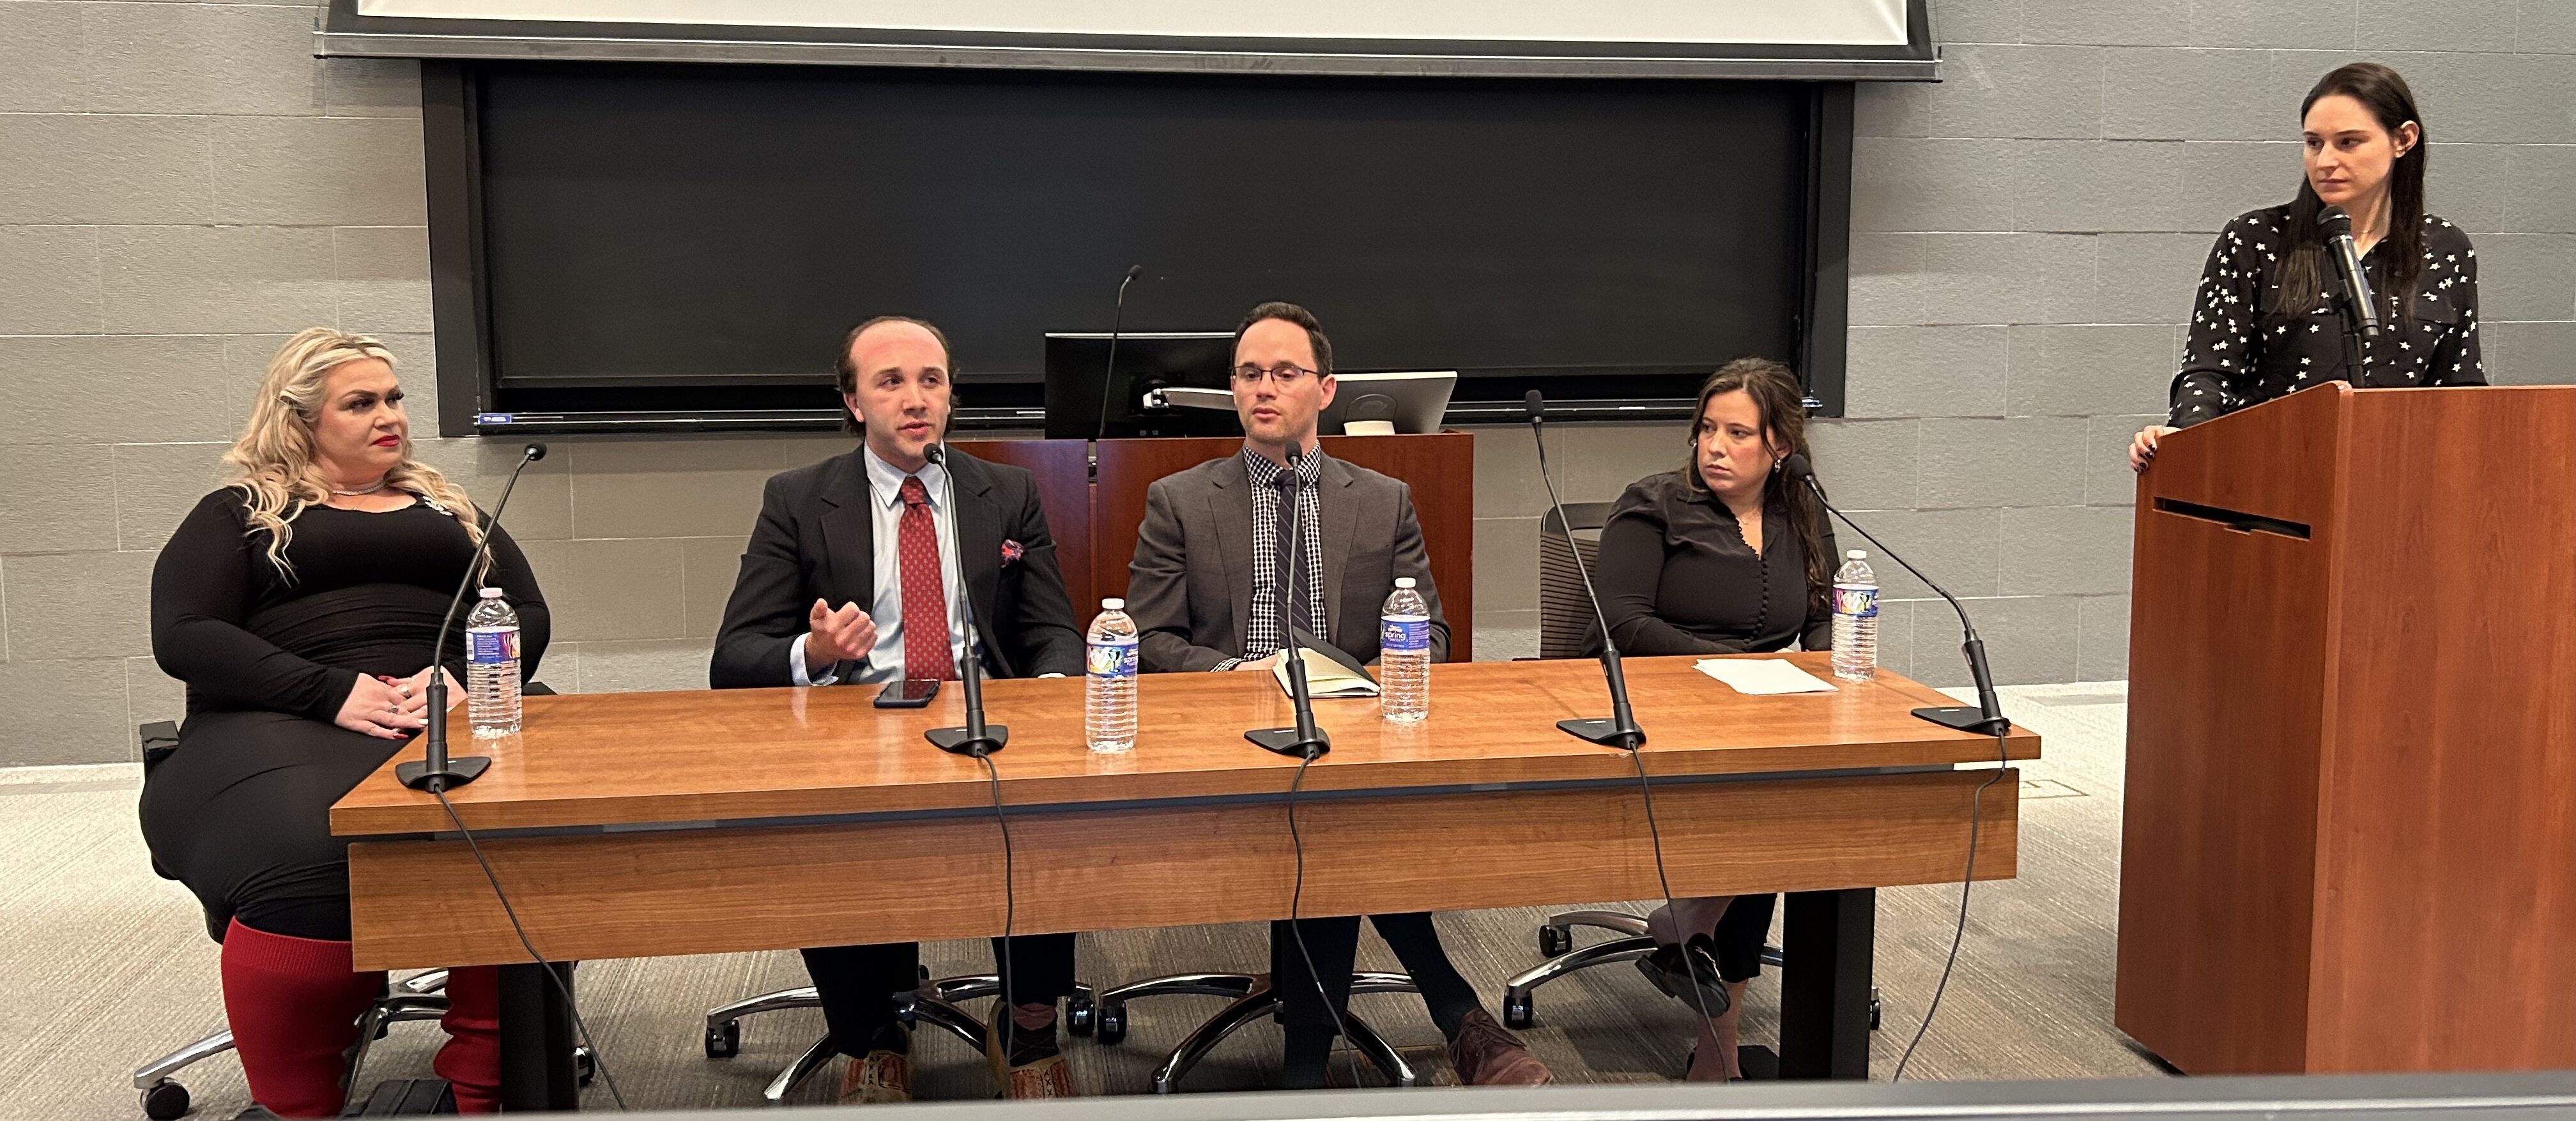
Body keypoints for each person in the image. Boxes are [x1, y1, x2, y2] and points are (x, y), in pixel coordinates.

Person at [1126, 301, 1550, 1088]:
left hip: (1355, 731)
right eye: (1249, 374)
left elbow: (1435, 635)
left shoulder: (1381, 498)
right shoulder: (1181, 499)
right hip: (1232, 729)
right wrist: (1234, 676)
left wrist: (1381, 679)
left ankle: (1311, 1069)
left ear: (1325, 390)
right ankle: (1447, 1016)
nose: (1264, 389)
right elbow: (1149, 641)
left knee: (1335, 812)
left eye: (1284, 374)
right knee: (1335, 827)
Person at [139, 328, 549, 1117]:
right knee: (309, 852)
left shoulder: (449, 507)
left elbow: (525, 610)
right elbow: (184, 632)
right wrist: (329, 691)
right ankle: (299, 1106)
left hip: (454, 706)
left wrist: (462, 678)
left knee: (531, 840)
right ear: (301, 421)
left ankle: (489, 1092)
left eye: (393, 398)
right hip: (276, 715)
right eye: (360, 403)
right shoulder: (241, 513)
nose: (388, 416)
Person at [710, 316, 1085, 1102]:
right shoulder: (800, 500)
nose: (916, 400)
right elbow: (733, 658)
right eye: (891, 383)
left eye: (932, 381)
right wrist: (813, 654)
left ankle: (1029, 1026)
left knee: (1053, 814)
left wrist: (1051, 702)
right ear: (853, 402)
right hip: (856, 727)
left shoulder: (1004, 492)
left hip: (987, 721)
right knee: (822, 821)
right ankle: (872, 1036)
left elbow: (1052, 631)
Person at [1593, 356, 1837, 1081]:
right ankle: (1718, 1047)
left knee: (1802, 793)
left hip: (1765, 708)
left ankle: (1694, 926)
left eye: (1738, 433)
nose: (1715, 447)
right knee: (1762, 809)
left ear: (1780, 447)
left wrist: (1832, 678)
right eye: (1707, 429)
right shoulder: (1654, 503)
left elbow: (1823, 616)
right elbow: (1622, 624)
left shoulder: (1802, 506)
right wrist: (1735, 673)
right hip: (1657, 701)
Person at [2131, 61, 2483, 471]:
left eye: (2349, 142)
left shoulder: (2445, 249)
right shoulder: (2256, 238)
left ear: (2403, 139)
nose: (2325, 161)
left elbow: (2460, 387)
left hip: (2397, 481)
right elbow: (2209, 372)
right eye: (2314, 143)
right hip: (2267, 475)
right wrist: (2183, 439)